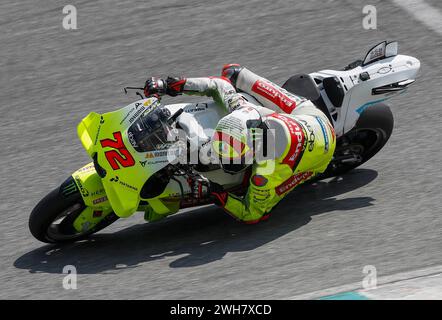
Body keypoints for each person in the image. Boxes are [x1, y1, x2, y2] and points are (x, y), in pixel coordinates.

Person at [143, 65, 336, 224]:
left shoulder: (265, 172)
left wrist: (217, 193)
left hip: (319, 143)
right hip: (299, 117)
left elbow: (252, 214)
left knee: (258, 193)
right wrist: (175, 85)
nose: (226, 163)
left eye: (233, 160)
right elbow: (219, 85)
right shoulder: (244, 112)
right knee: (232, 72)